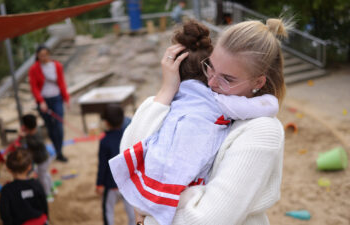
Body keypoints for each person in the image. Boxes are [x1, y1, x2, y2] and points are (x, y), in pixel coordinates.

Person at [118, 18, 289, 225]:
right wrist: (166, 91)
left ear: (258, 82)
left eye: (228, 79)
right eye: (210, 66)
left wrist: (147, 219)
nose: (211, 82)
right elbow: (129, 154)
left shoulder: (262, 129)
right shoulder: (199, 100)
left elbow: (208, 219)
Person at [29, 45, 70, 162]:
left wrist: (66, 98)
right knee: (50, 127)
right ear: (37, 56)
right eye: (41, 55)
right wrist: (41, 101)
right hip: (44, 100)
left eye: (45, 55)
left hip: (56, 98)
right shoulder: (34, 69)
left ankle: (60, 151)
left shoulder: (57, 65)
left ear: (49, 54)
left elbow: (62, 82)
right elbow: (34, 87)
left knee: (59, 125)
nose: (43, 57)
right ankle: (57, 150)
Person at [96, 104, 135, 225]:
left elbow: (102, 165)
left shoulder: (104, 141)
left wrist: (99, 184)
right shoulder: (128, 135)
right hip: (127, 181)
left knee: (108, 210)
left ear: (106, 122)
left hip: (111, 184)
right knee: (132, 212)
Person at [0, 150, 49, 225]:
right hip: (41, 221)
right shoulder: (36, 184)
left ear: (8, 169)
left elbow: (5, 214)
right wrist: (46, 219)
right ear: (30, 167)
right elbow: (44, 205)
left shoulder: (7, 190)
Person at [20, 114, 55, 201]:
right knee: (45, 174)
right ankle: (52, 188)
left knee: (42, 177)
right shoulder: (37, 130)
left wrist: (23, 137)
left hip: (41, 160)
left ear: (26, 127)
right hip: (44, 158)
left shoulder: (31, 138)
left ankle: (48, 194)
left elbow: (28, 144)